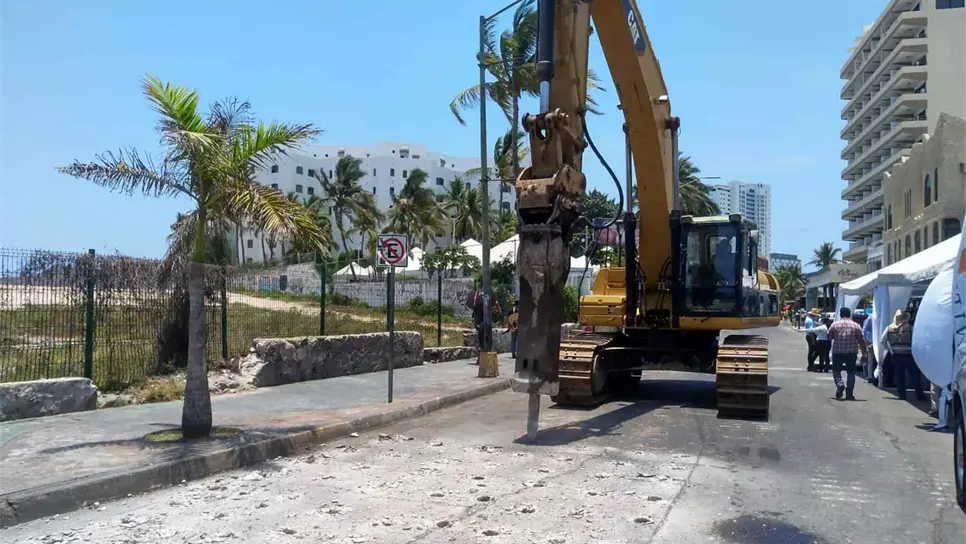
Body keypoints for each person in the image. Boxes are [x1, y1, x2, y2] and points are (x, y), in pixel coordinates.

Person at [880, 310, 926, 401]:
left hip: (896, 355)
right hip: (909, 354)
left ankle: (902, 395)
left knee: (899, 375)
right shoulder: (910, 328)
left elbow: (882, 341)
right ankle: (919, 395)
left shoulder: (889, 328)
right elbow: (917, 340)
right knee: (914, 375)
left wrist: (890, 349)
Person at [827, 307, 868, 400]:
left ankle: (839, 384)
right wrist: (863, 353)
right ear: (850, 314)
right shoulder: (856, 326)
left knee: (836, 371)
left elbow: (829, 337)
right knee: (851, 373)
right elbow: (861, 341)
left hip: (837, 351)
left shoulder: (835, 325)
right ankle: (849, 393)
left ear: (840, 314)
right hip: (852, 352)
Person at [862, 310, 876, 383]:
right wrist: (868, 343)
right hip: (871, 341)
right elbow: (864, 332)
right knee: (871, 360)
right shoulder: (871, 317)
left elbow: (864, 331)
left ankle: (872, 376)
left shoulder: (871, 317)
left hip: (872, 341)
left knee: (871, 361)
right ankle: (871, 376)